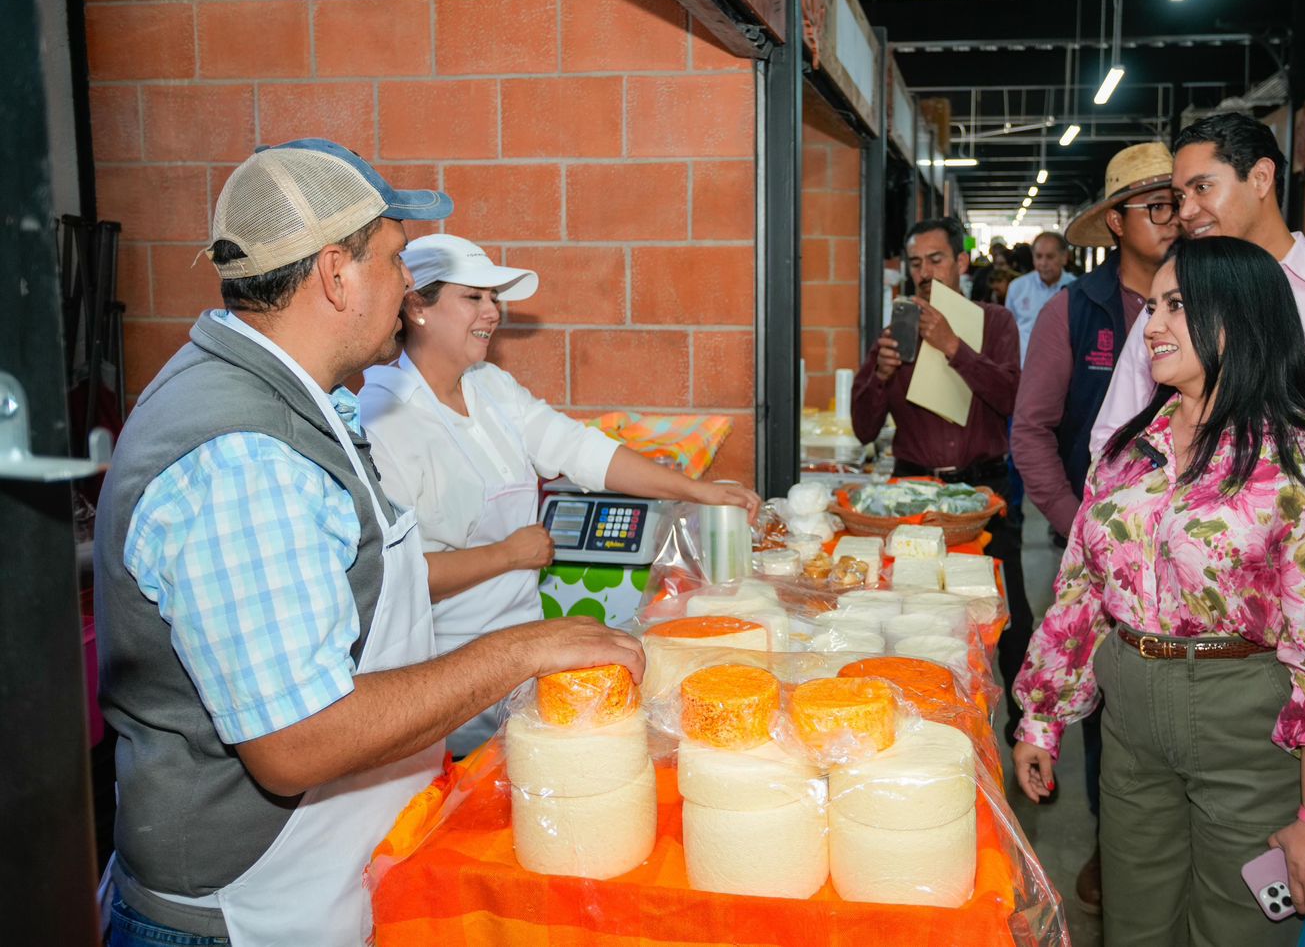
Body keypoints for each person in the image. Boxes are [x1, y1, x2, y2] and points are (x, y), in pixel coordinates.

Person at [94, 139, 645, 947]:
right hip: (250, 914)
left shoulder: (301, 401)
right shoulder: (243, 456)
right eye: (394, 260)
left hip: (328, 882)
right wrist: (522, 649)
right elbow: (297, 740)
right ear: (335, 274)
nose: (406, 286)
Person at [1013, 236, 1305, 946]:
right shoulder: (1131, 452)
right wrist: (1042, 716)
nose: (1153, 325)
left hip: (1249, 723)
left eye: (1177, 306)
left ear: (1241, 316)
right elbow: (1082, 591)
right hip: (1131, 720)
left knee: (1238, 929)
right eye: (1153, 307)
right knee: (1134, 923)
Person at [359, 233, 761, 754]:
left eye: (494, 298)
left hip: (525, 648)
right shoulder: (386, 417)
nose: (492, 311)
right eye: (473, 297)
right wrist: (509, 555)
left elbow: (582, 450)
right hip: (445, 670)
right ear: (417, 307)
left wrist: (698, 491)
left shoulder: (490, 387)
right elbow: (396, 576)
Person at [1090, 113, 1305, 512]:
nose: (1186, 212)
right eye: (1180, 197)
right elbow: (1113, 434)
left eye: (1202, 188)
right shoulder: (1170, 301)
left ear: (1260, 178)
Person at [1009, 141, 1180, 913]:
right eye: (1156, 205)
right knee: (1102, 698)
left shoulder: (1212, 294)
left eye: (1180, 202)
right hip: (1097, 549)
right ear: (1116, 221)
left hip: (1199, 556)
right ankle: (1116, 843)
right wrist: (1082, 526)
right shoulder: (1075, 312)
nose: (1172, 219)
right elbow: (1032, 430)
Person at [851, 218, 1027, 734]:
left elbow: (1010, 398)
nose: (926, 272)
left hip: (984, 495)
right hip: (914, 500)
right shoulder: (896, 334)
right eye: (916, 263)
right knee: (921, 619)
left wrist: (954, 347)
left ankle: (1023, 733)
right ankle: (931, 725)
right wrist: (879, 376)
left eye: (937, 260)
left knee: (1010, 618)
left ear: (961, 262)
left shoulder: (996, 323)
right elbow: (864, 428)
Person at [1006, 230, 1073, 363]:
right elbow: (1009, 330)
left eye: (1050, 257)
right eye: (1038, 256)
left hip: (1063, 367)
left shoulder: (1075, 289)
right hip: (1025, 366)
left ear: (1064, 257)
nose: (1043, 263)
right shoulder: (1017, 287)